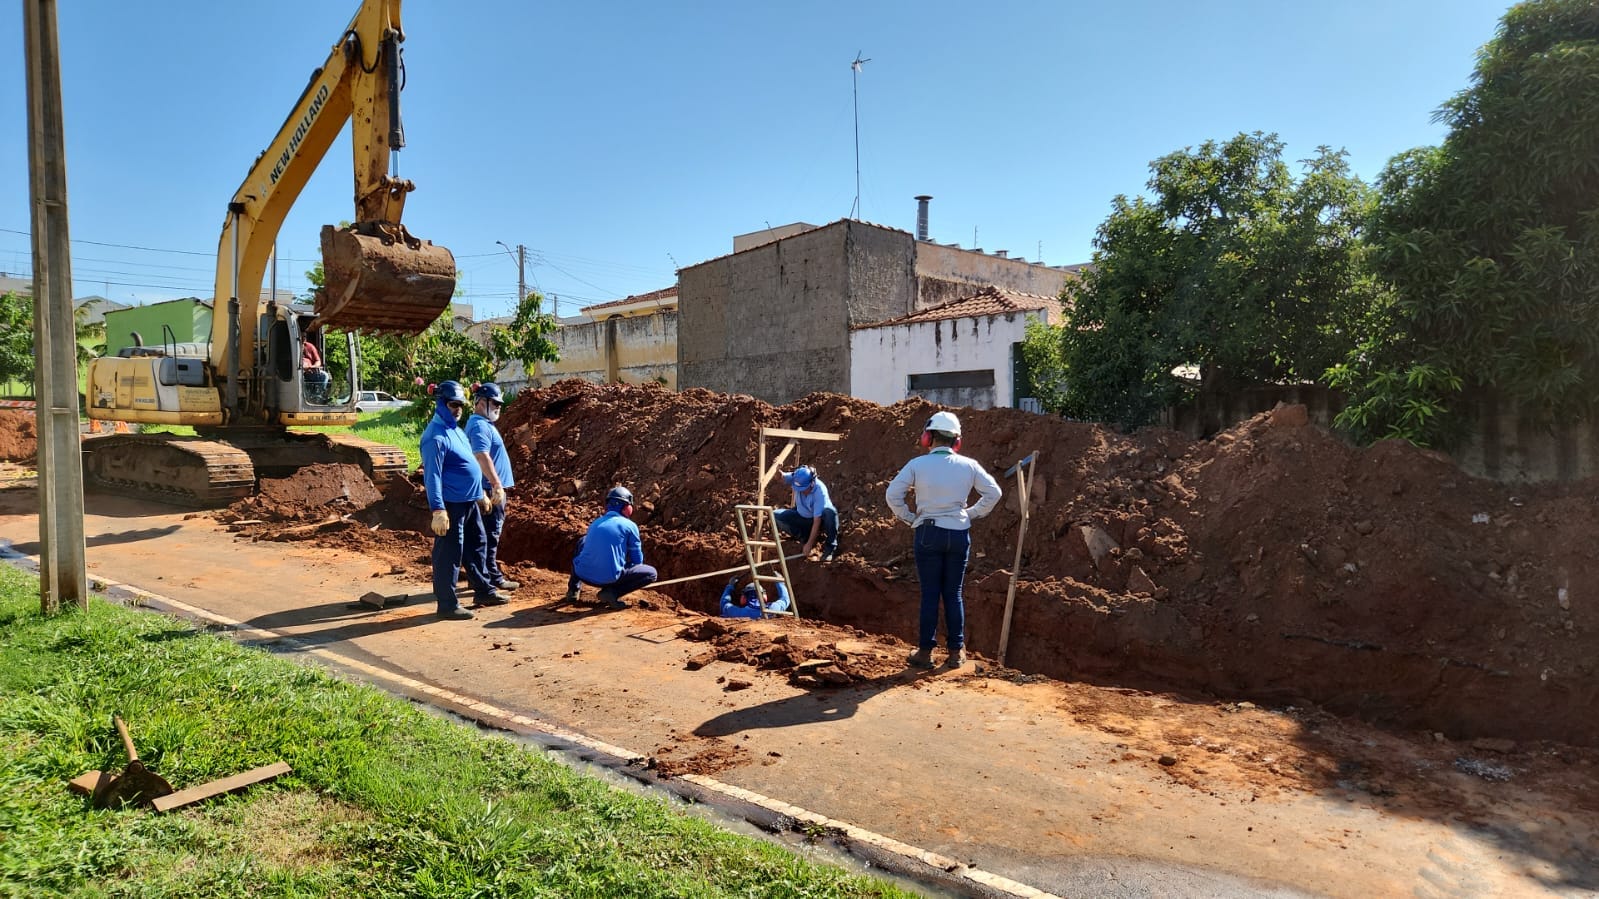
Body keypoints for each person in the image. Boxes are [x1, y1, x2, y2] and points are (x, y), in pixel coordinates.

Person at [885, 410, 1002, 669]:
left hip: (928, 532)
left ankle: (925, 653)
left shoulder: (917, 465)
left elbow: (893, 495)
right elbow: (994, 492)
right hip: (958, 534)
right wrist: (970, 514)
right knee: (953, 594)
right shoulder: (969, 465)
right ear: (956, 441)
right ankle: (956, 653)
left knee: (930, 594)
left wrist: (909, 517)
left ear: (929, 437)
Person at [420, 380, 505, 620]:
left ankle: (484, 590)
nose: (457, 409)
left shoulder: (456, 431)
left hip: (469, 502)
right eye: (453, 404)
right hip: (451, 505)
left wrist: (480, 494)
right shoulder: (435, 437)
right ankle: (447, 605)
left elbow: (470, 464)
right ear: (441, 404)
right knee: (449, 555)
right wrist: (438, 509)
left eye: (460, 405)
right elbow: (433, 476)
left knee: (477, 545)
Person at [562, 485, 658, 609]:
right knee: (651, 573)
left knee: (583, 541)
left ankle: (573, 591)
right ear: (625, 506)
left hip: (583, 574)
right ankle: (612, 593)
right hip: (609, 579)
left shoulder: (595, 523)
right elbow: (637, 561)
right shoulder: (630, 525)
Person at [465, 382, 518, 593]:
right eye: (494, 402)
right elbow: (481, 455)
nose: (498, 407)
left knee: (485, 534)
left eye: (499, 403)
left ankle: (479, 576)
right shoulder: (478, 426)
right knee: (489, 534)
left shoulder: (483, 424)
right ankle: (490, 577)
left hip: (490, 489)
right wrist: (496, 484)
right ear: (480, 402)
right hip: (489, 490)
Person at [774, 465, 840, 562]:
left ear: (812, 483)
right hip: (801, 515)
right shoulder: (796, 479)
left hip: (819, 520)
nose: (802, 492)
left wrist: (809, 544)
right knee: (775, 515)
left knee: (830, 512)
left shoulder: (820, 491)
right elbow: (780, 478)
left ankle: (830, 547)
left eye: (804, 489)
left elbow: (817, 520)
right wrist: (777, 471)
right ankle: (804, 537)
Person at [719, 575, 791, 620]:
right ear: (764, 596)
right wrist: (779, 582)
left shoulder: (737, 612)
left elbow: (724, 603)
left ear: (743, 598)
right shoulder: (772, 609)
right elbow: (785, 599)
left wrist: (730, 586)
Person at [300, 328, 331, 404]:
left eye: (305, 336)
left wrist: (313, 367)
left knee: (324, 376)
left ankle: (317, 396)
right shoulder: (293, 346)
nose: (304, 338)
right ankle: (303, 398)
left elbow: (318, 361)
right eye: (302, 336)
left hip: (310, 373)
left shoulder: (310, 347)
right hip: (297, 373)